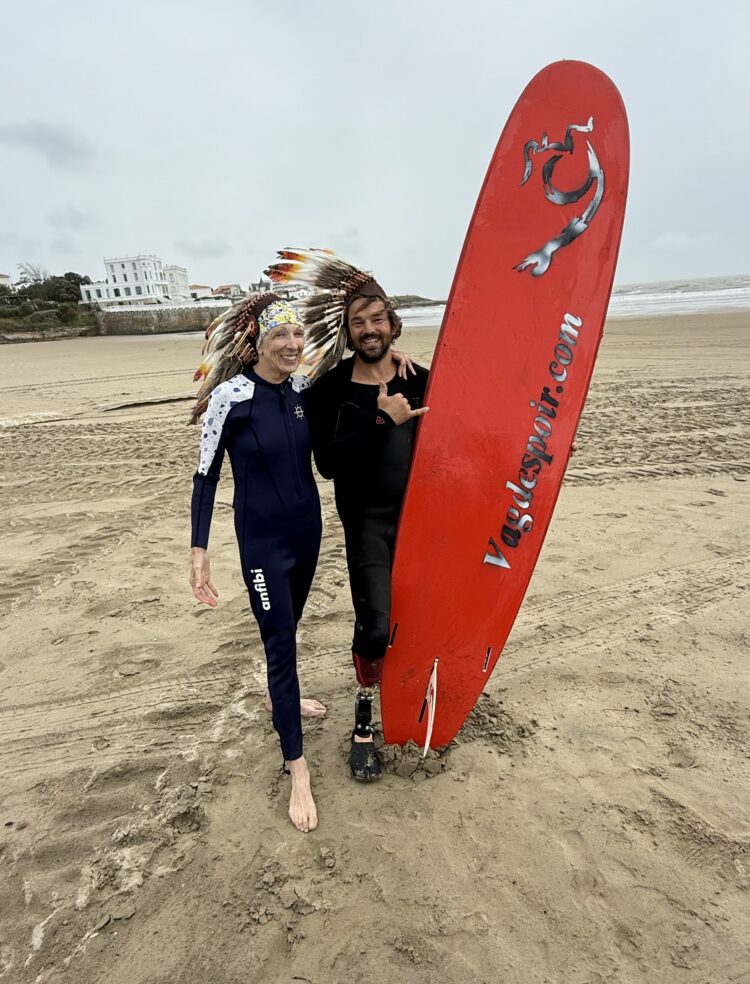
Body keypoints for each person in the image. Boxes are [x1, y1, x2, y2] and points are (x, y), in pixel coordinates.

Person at [265, 250, 430, 782]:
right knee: (376, 625)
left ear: (392, 324)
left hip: (422, 521)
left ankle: (415, 700)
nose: (369, 330)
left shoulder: (421, 378)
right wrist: (381, 418)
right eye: (358, 323)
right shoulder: (330, 389)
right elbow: (330, 463)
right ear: (348, 331)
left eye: (377, 319)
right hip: (365, 523)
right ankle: (364, 720)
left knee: (420, 620)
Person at [189, 292, 324, 833]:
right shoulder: (230, 397)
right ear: (258, 342)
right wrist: (199, 552)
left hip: (309, 535)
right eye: (279, 336)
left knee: (288, 629)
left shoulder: (303, 388)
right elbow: (205, 477)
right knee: (279, 644)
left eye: (297, 335)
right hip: (263, 546)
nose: (292, 344)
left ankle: (281, 696)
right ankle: (297, 768)